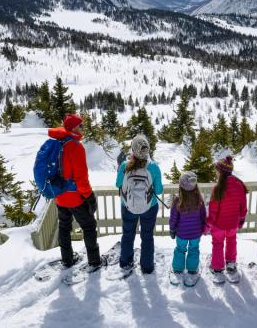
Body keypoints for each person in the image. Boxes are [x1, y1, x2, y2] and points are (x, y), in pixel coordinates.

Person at [49, 113, 104, 271]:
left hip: (60, 195)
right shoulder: (75, 146)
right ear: (73, 127)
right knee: (89, 227)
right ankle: (94, 261)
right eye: (81, 125)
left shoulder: (58, 142)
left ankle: (67, 260)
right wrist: (89, 196)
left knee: (64, 227)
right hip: (74, 197)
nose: (83, 128)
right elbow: (81, 178)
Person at [115, 134, 164, 275]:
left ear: (133, 150)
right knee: (147, 236)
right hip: (149, 207)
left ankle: (125, 262)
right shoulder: (153, 167)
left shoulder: (125, 166)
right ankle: (147, 266)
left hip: (128, 206)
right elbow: (159, 190)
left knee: (128, 234)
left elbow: (118, 184)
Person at [207, 156, 248, 276]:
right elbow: (243, 207)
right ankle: (230, 263)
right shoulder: (239, 185)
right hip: (233, 224)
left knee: (218, 244)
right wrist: (241, 220)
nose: (216, 173)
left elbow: (213, 210)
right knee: (231, 241)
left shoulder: (217, 188)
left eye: (217, 171)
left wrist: (210, 223)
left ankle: (218, 268)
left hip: (219, 224)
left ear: (221, 172)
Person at [169, 171, 207, 277]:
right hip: (196, 233)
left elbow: (173, 217)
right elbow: (203, 215)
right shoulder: (199, 199)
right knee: (194, 249)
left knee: (180, 249)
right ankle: (192, 269)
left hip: (182, 233)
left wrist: (172, 229)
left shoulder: (178, 199)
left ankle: (177, 269)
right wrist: (204, 226)